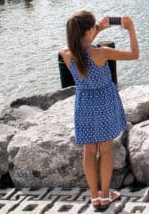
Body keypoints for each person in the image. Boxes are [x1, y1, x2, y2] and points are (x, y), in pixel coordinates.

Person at [60, 11, 139, 210]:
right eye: (93, 27)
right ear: (87, 31)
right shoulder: (102, 53)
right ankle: (106, 194)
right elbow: (134, 55)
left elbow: (82, 47)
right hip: (104, 102)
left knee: (89, 151)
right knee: (105, 150)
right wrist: (130, 29)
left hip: (84, 103)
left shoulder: (67, 54)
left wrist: (97, 31)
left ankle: (94, 196)